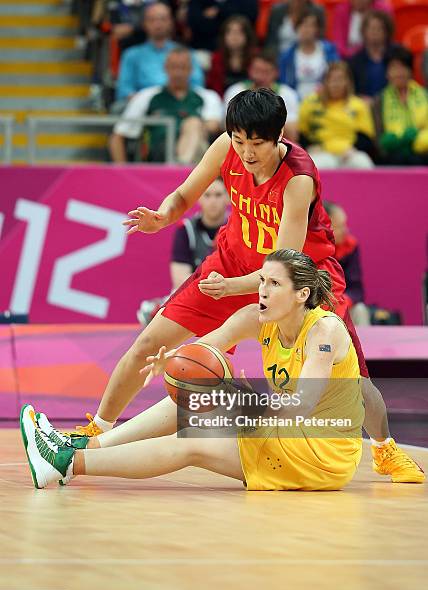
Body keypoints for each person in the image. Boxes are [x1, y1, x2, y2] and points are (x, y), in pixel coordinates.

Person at [70, 87, 422, 484]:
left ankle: (385, 451)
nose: (247, 152)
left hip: (301, 277)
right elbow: (186, 194)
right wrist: (163, 216)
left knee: (356, 378)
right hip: (231, 263)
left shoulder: (298, 179)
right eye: (240, 141)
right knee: (150, 344)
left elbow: (283, 266)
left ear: (278, 136)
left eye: (257, 144)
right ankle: (95, 432)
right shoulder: (226, 147)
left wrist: (232, 288)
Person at [21, 249, 368, 491]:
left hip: (323, 452)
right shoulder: (255, 318)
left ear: (301, 294)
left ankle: (64, 462)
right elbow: (205, 348)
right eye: (262, 280)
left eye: (274, 284)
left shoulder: (324, 331)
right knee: (192, 397)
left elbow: (303, 406)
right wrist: (172, 358)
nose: (261, 290)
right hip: (285, 432)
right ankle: (85, 445)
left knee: (193, 442)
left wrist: (248, 401)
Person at [137, 178, 229, 325]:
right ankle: (159, 310)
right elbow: (180, 279)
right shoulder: (186, 230)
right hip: (197, 295)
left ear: (228, 198)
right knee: (164, 306)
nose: (213, 201)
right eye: (207, 195)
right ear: (199, 198)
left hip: (229, 291)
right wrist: (212, 286)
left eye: (218, 195)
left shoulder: (239, 227)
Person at [110, 46, 223, 164]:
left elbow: (213, 125)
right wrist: (123, 173)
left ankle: (180, 168)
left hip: (197, 162)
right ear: (165, 68)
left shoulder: (208, 96)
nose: (178, 73)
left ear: (191, 70)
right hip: (157, 160)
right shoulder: (146, 96)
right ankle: (181, 172)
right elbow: (117, 137)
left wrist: (190, 131)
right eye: (173, 67)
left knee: (193, 123)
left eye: (183, 68)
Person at [115, 2, 204, 107]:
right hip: (144, 109)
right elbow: (124, 91)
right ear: (144, 24)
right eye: (152, 20)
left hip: (183, 106)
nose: (158, 24)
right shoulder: (131, 55)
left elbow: (198, 86)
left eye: (163, 19)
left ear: (171, 22)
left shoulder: (186, 54)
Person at [298, 61, 375, 169]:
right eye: (331, 79)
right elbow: (302, 134)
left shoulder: (358, 105)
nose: (335, 84)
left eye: (340, 79)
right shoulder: (310, 103)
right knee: (315, 165)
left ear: (348, 82)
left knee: (364, 164)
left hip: (350, 153)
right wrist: (310, 147)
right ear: (325, 82)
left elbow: (365, 137)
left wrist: (353, 149)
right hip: (321, 153)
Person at [224, 51, 300, 142]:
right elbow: (228, 129)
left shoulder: (288, 94)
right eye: (257, 71)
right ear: (250, 70)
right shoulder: (235, 91)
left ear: (276, 73)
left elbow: (293, 134)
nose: (260, 76)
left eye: (266, 72)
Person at [372, 46, 428, 165]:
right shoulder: (379, 100)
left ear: (410, 71)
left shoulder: (425, 95)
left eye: (403, 67)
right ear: (387, 73)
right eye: (394, 68)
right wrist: (396, 143)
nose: (399, 73)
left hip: (423, 150)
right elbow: (379, 140)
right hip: (393, 154)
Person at [324, 202, 371, 326]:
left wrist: (342, 302)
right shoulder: (311, 248)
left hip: (342, 303)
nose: (345, 230)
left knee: (360, 310)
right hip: (316, 306)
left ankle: (359, 345)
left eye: (344, 225)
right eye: (339, 226)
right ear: (323, 226)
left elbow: (356, 289)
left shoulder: (350, 246)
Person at [278, 9, 339, 101]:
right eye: (303, 25)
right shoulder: (286, 56)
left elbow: (337, 76)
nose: (306, 29)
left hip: (325, 100)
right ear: (296, 28)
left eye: (311, 25)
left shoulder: (329, 51)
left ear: (317, 29)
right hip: (296, 101)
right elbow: (284, 86)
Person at [347, 10, 398, 99]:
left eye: (379, 28)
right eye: (371, 28)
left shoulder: (397, 55)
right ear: (364, 32)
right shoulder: (355, 61)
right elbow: (352, 91)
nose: (374, 32)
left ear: (387, 32)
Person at [206, 15, 257, 97]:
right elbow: (214, 88)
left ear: (247, 36)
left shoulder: (255, 57)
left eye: (239, 33)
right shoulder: (216, 58)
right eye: (230, 32)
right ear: (224, 36)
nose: (234, 37)